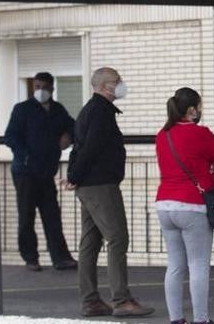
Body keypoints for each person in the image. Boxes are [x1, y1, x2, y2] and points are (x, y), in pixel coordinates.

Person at [63, 67, 154, 318]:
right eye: (117, 81)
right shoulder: (101, 112)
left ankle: (91, 301)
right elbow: (90, 148)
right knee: (117, 238)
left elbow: (78, 148)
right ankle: (122, 299)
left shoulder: (89, 110)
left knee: (90, 242)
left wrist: (74, 176)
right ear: (105, 86)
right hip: (101, 185)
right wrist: (74, 176)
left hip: (89, 185)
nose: (121, 84)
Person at [155, 87, 214, 324]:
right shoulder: (201, 133)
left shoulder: (162, 135)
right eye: (198, 106)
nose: (200, 110)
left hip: (165, 204)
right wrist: (209, 170)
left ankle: (176, 319)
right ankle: (201, 320)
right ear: (191, 109)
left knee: (175, 265)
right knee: (198, 265)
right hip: (192, 205)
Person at [5, 71, 78, 272]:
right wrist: (26, 156)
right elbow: (11, 136)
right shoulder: (23, 110)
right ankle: (30, 258)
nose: (40, 91)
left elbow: (74, 127)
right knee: (26, 215)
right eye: (37, 87)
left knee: (51, 214)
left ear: (52, 89)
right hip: (25, 172)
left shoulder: (57, 110)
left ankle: (60, 257)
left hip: (46, 171)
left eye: (44, 87)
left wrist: (68, 136)